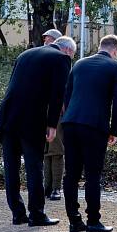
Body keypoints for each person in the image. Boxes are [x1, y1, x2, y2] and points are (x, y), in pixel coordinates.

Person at [0, 36, 75, 225]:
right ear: (68, 51)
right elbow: (58, 94)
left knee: (11, 167)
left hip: (7, 116)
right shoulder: (61, 59)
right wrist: (52, 125)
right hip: (31, 119)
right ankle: (36, 214)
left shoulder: (25, 54)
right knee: (34, 166)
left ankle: (17, 213)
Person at [61, 34, 117, 232]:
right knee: (92, 175)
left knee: (70, 174)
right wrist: (114, 130)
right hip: (94, 126)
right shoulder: (116, 67)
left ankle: (74, 220)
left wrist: (69, 116)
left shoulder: (79, 64)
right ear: (115, 50)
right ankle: (93, 221)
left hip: (70, 123)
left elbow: (67, 95)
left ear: (100, 46)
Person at [43, 28, 67, 201]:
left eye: (50, 40)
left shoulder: (62, 60)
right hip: (42, 110)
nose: (46, 42)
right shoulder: (40, 58)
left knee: (56, 150)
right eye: (45, 40)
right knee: (44, 151)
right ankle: (47, 186)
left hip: (57, 111)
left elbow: (64, 87)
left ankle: (56, 188)